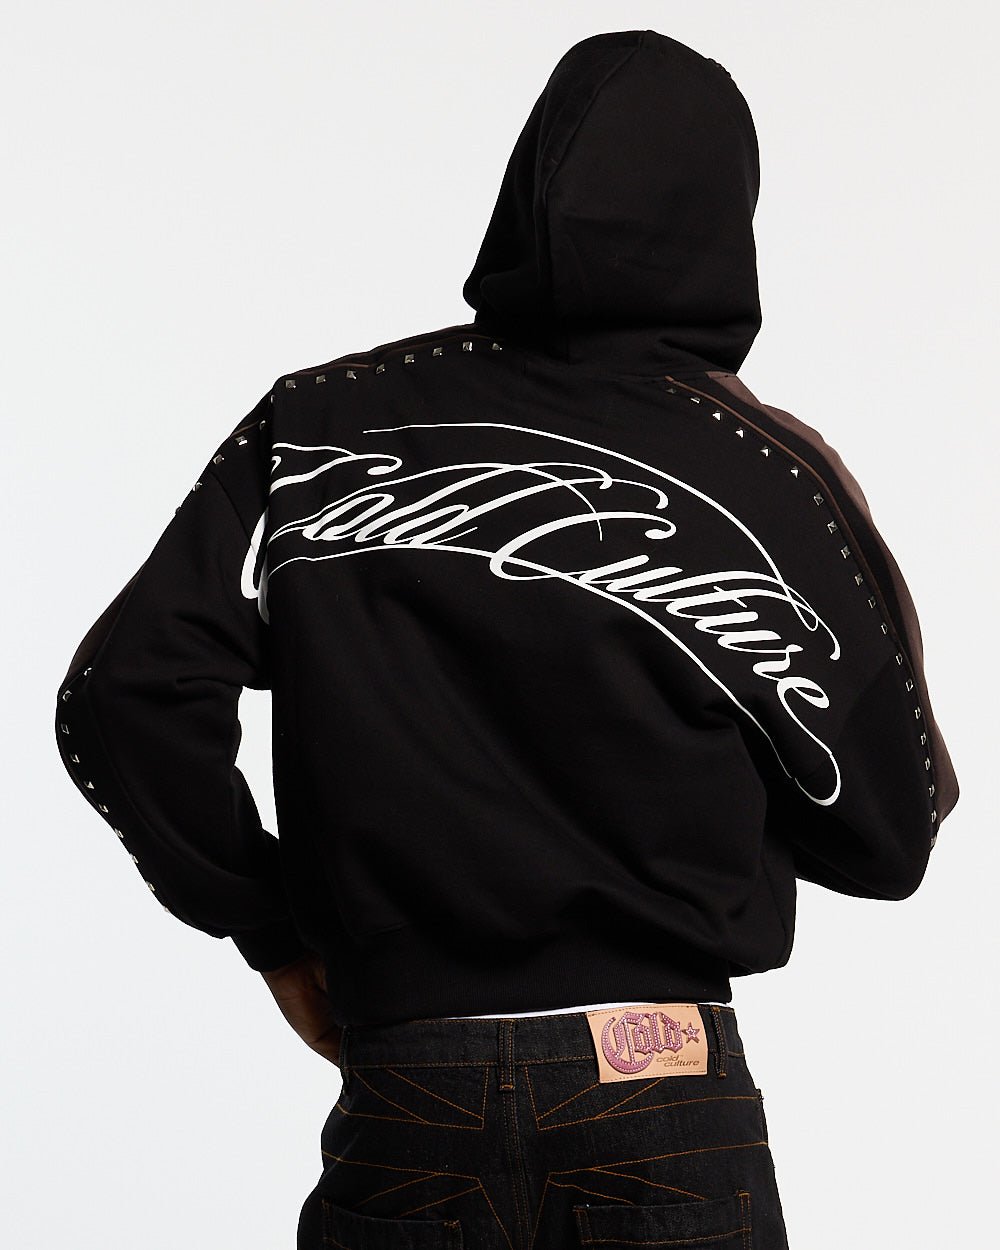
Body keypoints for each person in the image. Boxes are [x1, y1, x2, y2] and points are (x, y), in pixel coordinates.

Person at [54, 27, 959, 1250]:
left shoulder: (319, 424)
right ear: (727, 222)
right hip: (662, 1078)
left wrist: (270, 926)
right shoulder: (765, 475)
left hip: (407, 1074)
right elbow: (890, 832)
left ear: (527, 192)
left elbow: (120, 696)